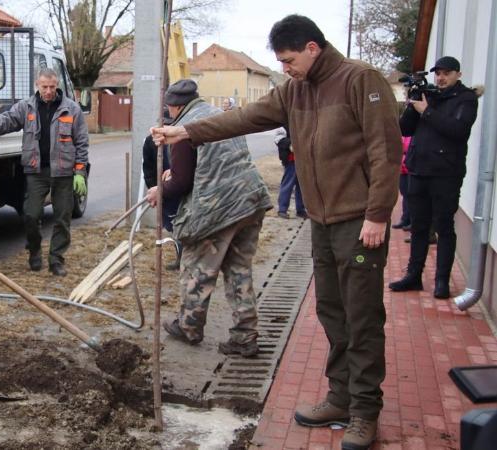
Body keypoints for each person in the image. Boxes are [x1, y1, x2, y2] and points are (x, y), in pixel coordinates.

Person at [151, 15, 400, 450]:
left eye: (288, 60)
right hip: (320, 222)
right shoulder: (294, 90)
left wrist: (378, 214)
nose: (284, 68)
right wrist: (185, 130)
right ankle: (340, 396)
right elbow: (245, 118)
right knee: (332, 312)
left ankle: (364, 411)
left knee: (361, 317)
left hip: (358, 221)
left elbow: (385, 149)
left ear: (312, 47)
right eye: (280, 62)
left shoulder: (361, 80)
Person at [145, 79, 271, 358]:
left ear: (172, 106)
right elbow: (201, 166)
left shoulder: (182, 129)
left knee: (196, 268)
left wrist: (159, 190)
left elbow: (182, 183)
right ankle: (245, 335)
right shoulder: (218, 115)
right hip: (250, 201)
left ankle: (189, 327)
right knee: (239, 269)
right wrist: (174, 175)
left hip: (218, 209)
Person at [0, 68, 89, 276]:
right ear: (37, 86)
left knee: (62, 217)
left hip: (64, 172)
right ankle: (34, 250)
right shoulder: (27, 107)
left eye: (52, 87)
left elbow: (82, 143)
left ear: (57, 85)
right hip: (36, 171)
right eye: (44, 87)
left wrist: (80, 172)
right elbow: (6, 121)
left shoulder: (72, 109)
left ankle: (56, 260)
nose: (48, 91)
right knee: (31, 215)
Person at [389, 56, 480, 299]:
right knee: (418, 228)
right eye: (438, 73)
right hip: (418, 171)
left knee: (444, 228)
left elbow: (458, 130)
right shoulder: (428, 95)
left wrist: (426, 111)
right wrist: (413, 104)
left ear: (458, 74)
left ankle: (442, 281)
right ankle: (414, 276)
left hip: (446, 175)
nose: (441, 78)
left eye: (446, 73)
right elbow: (405, 129)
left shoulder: (466, 98)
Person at [142, 112, 181, 270]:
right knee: (172, 225)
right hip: (164, 191)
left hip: (181, 188)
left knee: (183, 224)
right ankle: (181, 256)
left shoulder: (180, 139)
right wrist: (155, 191)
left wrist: (174, 171)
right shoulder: (151, 143)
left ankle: (184, 258)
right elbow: (149, 170)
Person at [275, 126, 306, 219]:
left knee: (301, 186)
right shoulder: (283, 126)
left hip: (302, 159)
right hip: (290, 160)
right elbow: (279, 140)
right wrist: (292, 143)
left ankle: (300, 210)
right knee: (288, 184)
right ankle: (282, 209)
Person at [392, 136, 412, 230]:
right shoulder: (402, 133)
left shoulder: (413, 133)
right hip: (402, 168)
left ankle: (412, 221)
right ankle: (405, 219)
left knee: (412, 195)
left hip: (411, 169)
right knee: (405, 194)